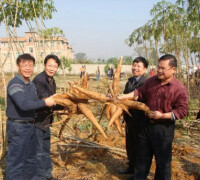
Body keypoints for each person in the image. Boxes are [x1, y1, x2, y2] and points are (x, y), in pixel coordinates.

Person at [118, 54, 189, 180]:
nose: (159, 71)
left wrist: (162, 115)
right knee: (142, 156)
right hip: (146, 126)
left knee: (162, 161)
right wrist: (121, 97)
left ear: (173, 69)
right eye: (158, 67)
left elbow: (182, 111)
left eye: (163, 68)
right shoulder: (151, 81)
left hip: (163, 128)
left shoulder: (179, 88)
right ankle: (139, 177)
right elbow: (139, 93)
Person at [6, 53, 54, 180]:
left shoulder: (31, 85)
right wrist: (44, 102)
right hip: (18, 127)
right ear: (18, 66)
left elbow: (36, 104)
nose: (28, 68)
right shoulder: (15, 84)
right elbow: (23, 105)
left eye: (30, 65)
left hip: (30, 125)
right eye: (24, 65)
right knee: (17, 161)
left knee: (31, 159)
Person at [32, 54, 61, 180]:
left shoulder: (52, 81)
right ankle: (39, 177)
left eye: (55, 66)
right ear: (44, 65)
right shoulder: (39, 80)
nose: (52, 68)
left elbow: (53, 102)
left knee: (45, 150)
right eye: (49, 65)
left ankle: (47, 175)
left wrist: (67, 107)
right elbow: (47, 100)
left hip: (45, 121)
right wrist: (64, 103)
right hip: (37, 121)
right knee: (38, 152)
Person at [119, 57, 148, 175]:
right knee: (130, 145)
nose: (135, 68)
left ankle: (138, 172)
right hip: (129, 119)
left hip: (140, 120)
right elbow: (125, 97)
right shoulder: (129, 81)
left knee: (139, 146)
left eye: (138, 66)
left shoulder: (146, 83)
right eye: (134, 65)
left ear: (144, 69)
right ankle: (131, 167)